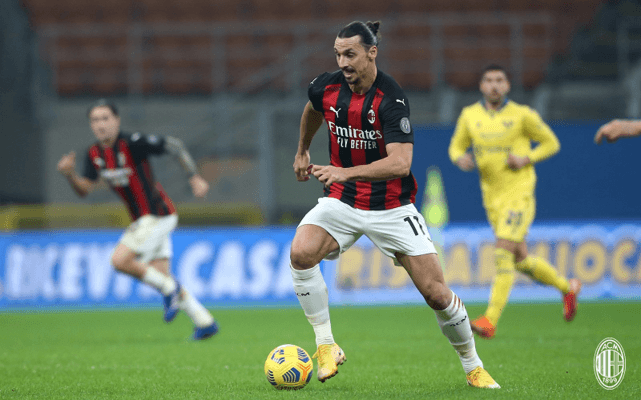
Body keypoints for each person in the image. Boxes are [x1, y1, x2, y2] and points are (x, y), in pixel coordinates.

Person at [290, 21, 499, 389]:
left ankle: (473, 366)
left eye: (350, 54)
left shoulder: (391, 98)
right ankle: (325, 345)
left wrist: (344, 172)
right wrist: (303, 149)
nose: (343, 62)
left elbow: (401, 163)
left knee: (436, 294)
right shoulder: (326, 86)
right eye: (338, 54)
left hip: (391, 206)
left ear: (372, 53)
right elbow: (313, 108)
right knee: (301, 253)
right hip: (343, 201)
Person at [56, 99, 218, 340]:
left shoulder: (133, 143)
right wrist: (70, 175)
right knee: (161, 276)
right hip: (144, 219)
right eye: (95, 120)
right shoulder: (94, 154)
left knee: (120, 260)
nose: (101, 124)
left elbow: (174, 145)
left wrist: (194, 177)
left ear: (116, 120)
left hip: (157, 214)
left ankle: (170, 290)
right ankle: (205, 322)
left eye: (105, 118)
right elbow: (85, 189)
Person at [448, 65, 581, 340]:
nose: (494, 85)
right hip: (492, 197)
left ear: (507, 85)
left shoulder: (522, 115)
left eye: (499, 80)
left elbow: (551, 143)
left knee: (502, 252)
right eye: (489, 80)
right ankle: (567, 288)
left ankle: (490, 319)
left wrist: (526, 158)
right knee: (520, 260)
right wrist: (459, 158)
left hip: (519, 193)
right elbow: (456, 146)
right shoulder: (470, 115)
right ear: (481, 86)